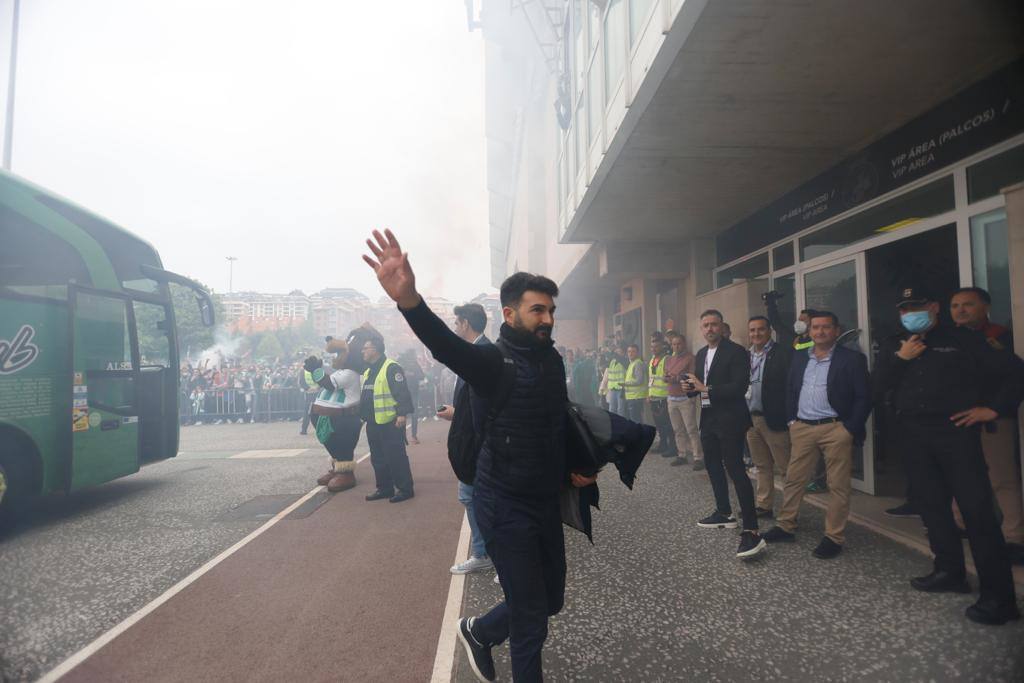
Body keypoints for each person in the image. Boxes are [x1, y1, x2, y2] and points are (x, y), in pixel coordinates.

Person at [362, 229, 596, 682]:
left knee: (550, 599)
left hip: (543, 498)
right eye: (538, 310)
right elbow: (444, 345)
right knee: (531, 616)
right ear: (509, 314)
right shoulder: (490, 362)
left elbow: (555, 419)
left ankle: (480, 631)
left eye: (551, 309)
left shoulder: (551, 360)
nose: (548, 318)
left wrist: (579, 465)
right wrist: (409, 300)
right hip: (503, 503)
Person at [873, 286, 1022, 625]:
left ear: (934, 307)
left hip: (955, 435)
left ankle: (999, 598)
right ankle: (949, 572)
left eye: (918, 305)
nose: (911, 312)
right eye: (905, 307)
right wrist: (900, 359)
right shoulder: (896, 342)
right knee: (932, 508)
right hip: (914, 437)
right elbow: (877, 386)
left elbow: (1015, 373)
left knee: (977, 513)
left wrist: (993, 409)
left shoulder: (963, 339)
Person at [762, 312, 871, 560]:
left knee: (838, 485)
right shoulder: (800, 357)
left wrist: (849, 428)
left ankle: (833, 536)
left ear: (836, 330)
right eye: (816, 327)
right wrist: (792, 420)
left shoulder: (851, 359)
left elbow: (864, 397)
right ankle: (785, 525)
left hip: (835, 429)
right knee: (794, 479)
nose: (820, 332)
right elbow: (791, 389)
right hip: (802, 427)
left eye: (825, 327)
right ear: (809, 331)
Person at [948, 287, 1023, 564]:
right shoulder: (947, 338)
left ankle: (1013, 537)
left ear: (986, 306)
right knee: (961, 475)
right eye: (955, 305)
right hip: (955, 421)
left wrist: (993, 409)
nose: (961, 310)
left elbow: (1015, 377)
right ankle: (961, 523)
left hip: (991, 421)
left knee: (1001, 479)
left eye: (968, 304)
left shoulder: (998, 338)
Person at [687, 309, 766, 559]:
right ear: (702, 329)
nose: (709, 329)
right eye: (705, 325)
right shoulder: (701, 354)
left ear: (722, 327)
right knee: (712, 465)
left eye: (714, 324)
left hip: (731, 419)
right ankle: (724, 513)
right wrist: (689, 388)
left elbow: (739, 386)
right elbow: (698, 387)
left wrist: (705, 387)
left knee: (735, 469)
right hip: (709, 418)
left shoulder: (736, 352)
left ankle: (752, 529)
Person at [438, 302, 495, 575]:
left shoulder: (482, 354)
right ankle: (487, 553)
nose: (454, 327)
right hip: (474, 439)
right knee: (473, 497)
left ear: (465, 324)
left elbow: (487, 402)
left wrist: (458, 413)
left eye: (456, 322)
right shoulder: (479, 352)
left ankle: (490, 554)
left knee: (479, 498)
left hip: (480, 443)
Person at [744, 316, 792, 518]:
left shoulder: (782, 353)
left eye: (761, 329)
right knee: (762, 465)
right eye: (752, 330)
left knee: (786, 468)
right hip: (751, 419)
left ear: (769, 330)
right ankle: (764, 505)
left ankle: (790, 512)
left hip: (773, 419)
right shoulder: (745, 356)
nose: (756, 334)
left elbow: (790, 386)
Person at [360, 333, 416, 503]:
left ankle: (405, 489)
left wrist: (401, 414)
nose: (362, 351)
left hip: (390, 422)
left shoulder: (391, 368)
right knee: (377, 457)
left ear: (375, 349)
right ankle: (384, 488)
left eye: (365, 348)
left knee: (395, 456)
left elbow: (401, 392)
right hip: (373, 422)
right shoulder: (369, 371)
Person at [305, 337, 364, 492]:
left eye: (339, 354)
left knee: (342, 446)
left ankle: (346, 473)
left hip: (343, 418)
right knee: (332, 444)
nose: (337, 358)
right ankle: (338, 468)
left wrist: (316, 371)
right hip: (328, 416)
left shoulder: (350, 373)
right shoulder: (341, 371)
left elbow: (329, 384)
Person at [664, 331, 703, 470]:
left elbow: (691, 376)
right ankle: (682, 454)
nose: (676, 346)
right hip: (671, 397)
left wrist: (674, 378)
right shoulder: (668, 359)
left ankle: (698, 457)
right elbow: (665, 375)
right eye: (674, 344)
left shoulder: (691, 358)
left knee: (691, 428)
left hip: (685, 397)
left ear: (684, 344)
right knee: (677, 429)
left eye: (679, 343)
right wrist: (670, 378)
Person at [647, 335, 677, 460]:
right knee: (659, 424)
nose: (654, 349)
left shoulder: (667, 359)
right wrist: (648, 394)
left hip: (664, 396)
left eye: (656, 346)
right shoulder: (652, 360)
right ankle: (662, 444)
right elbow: (650, 379)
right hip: (653, 396)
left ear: (662, 347)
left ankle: (672, 447)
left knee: (667, 424)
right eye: (652, 347)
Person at [399, 349, 426, 445]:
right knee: (409, 414)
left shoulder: (409, 365)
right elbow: (422, 376)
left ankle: (410, 436)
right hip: (408, 392)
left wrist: (412, 374)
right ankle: (411, 436)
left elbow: (422, 376)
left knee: (407, 414)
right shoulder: (405, 365)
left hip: (410, 392)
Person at [622, 344, 647, 425]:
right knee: (635, 420)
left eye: (633, 351)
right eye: (629, 351)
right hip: (632, 397)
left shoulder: (637, 364)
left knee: (636, 421)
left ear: (637, 353)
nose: (630, 353)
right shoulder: (631, 363)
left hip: (636, 397)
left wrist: (625, 384)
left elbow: (639, 380)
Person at [605, 345, 627, 417]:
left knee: (620, 409)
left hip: (621, 389)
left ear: (623, 353)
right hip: (612, 388)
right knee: (612, 408)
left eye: (619, 352)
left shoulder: (625, 361)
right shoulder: (612, 361)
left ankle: (621, 425)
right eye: (616, 352)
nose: (617, 354)